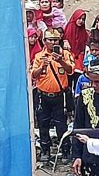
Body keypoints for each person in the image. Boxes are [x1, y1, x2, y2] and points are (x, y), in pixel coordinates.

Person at [31, 28, 75, 161]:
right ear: (44, 41)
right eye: (50, 40)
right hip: (43, 96)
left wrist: (61, 60)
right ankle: (45, 151)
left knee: (61, 124)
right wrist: (42, 67)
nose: (53, 42)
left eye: (56, 40)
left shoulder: (66, 54)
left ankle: (66, 151)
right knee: (43, 124)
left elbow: (71, 70)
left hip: (59, 96)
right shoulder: (39, 56)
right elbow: (33, 75)